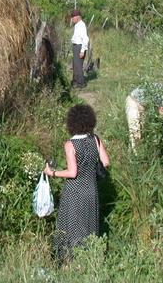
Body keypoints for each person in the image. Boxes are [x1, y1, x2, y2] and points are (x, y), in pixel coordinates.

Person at [44, 104, 110, 263]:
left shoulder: (70, 144)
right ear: (90, 121)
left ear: (71, 123)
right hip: (91, 189)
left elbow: (72, 172)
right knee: (89, 224)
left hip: (74, 191)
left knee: (72, 225)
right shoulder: (95, 139)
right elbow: (106, 162)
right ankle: (90, 258)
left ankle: (70, 260)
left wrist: (52, 172)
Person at [68, 8, 89, 89]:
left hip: (79, 47)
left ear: (78, 17)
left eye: (73, 17)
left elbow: (85, 39)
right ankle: (75, 82)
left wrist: (82, 51)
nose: (72, 19)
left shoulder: (81, 25)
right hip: (76, 46)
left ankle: (81, 83)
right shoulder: (77, 25)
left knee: (78, 66)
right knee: (75, 65)